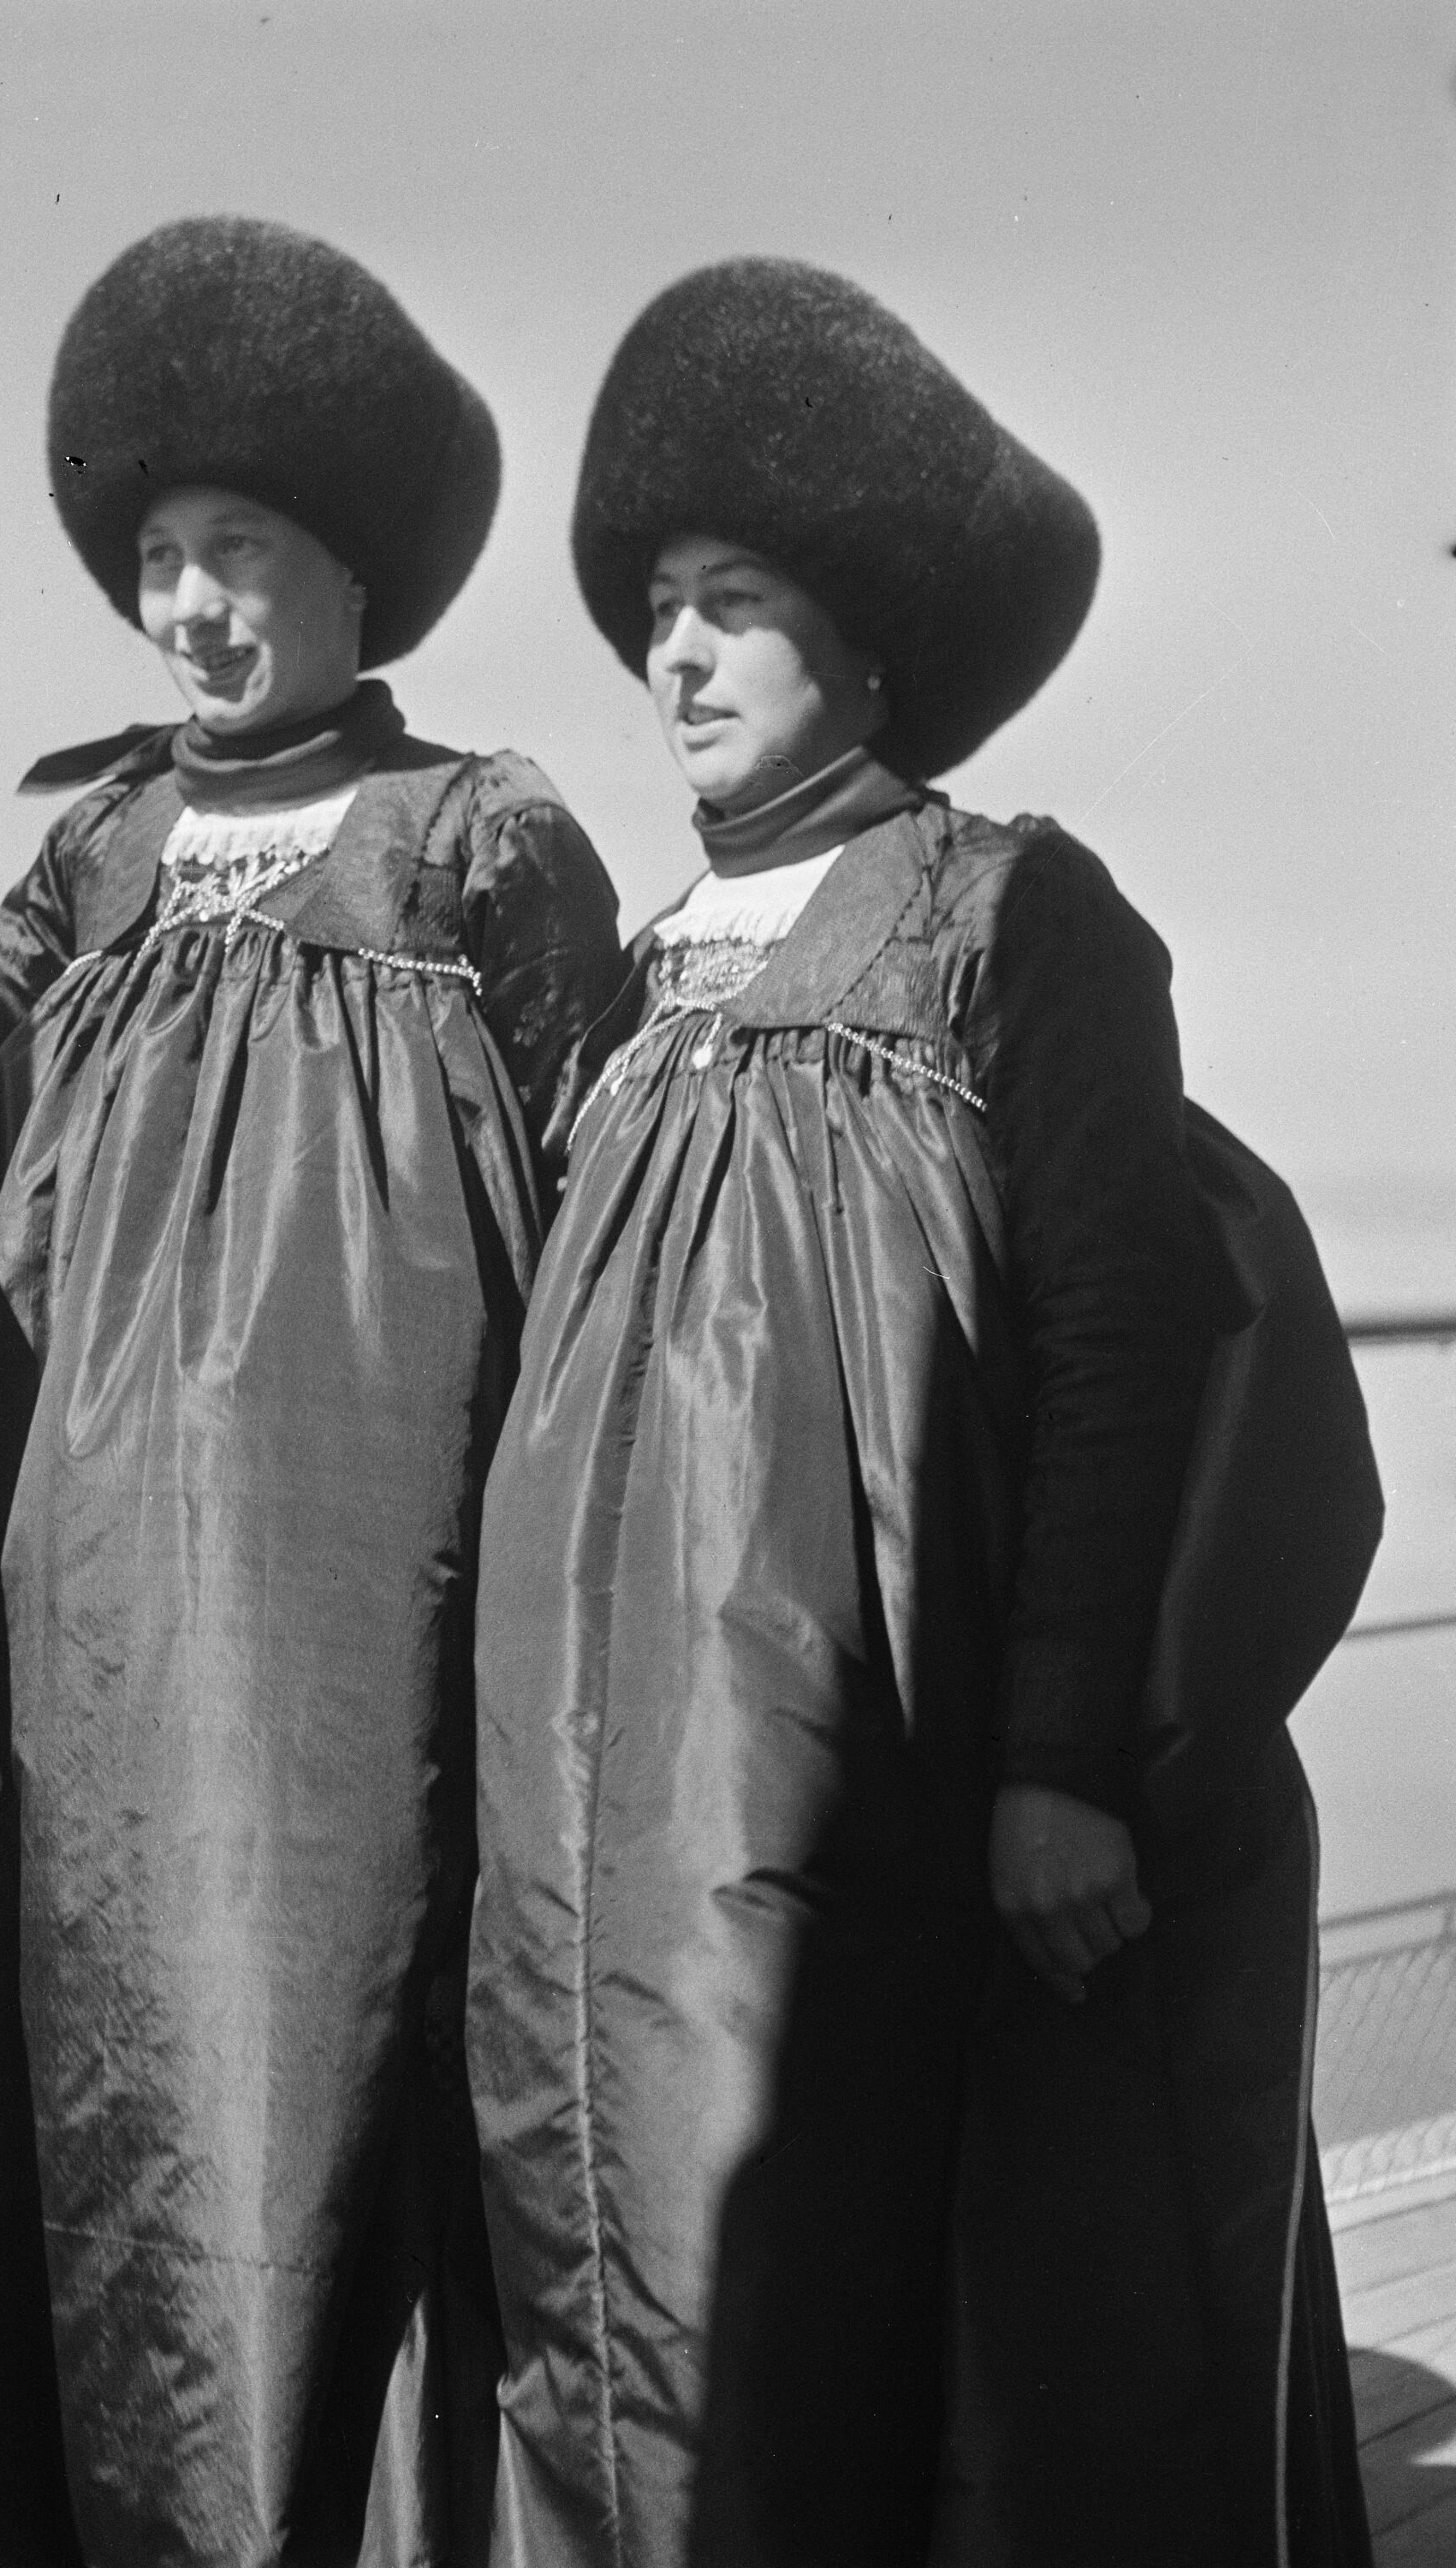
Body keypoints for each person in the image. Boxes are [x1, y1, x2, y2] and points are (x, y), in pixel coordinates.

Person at [465, 257, 1376, 2566]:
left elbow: (1120, 1344)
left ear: (863, 641)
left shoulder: (1009, 915)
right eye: (656, 611)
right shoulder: (634, 992)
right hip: (609, 1810)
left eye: (735, 605)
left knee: (908, 2312)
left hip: (889, 1778)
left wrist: (1061, 1760)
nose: (675, 658)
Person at [0, 216, 627, 2565]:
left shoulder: (480, 836)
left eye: (241, 553)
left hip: (370, 1629)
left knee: (344, 2074)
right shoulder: (92, 852)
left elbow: (614, 1232)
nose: (195, 608)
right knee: (111, 2096)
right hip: (93, 1634)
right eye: (159, 562)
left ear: (352, 568)